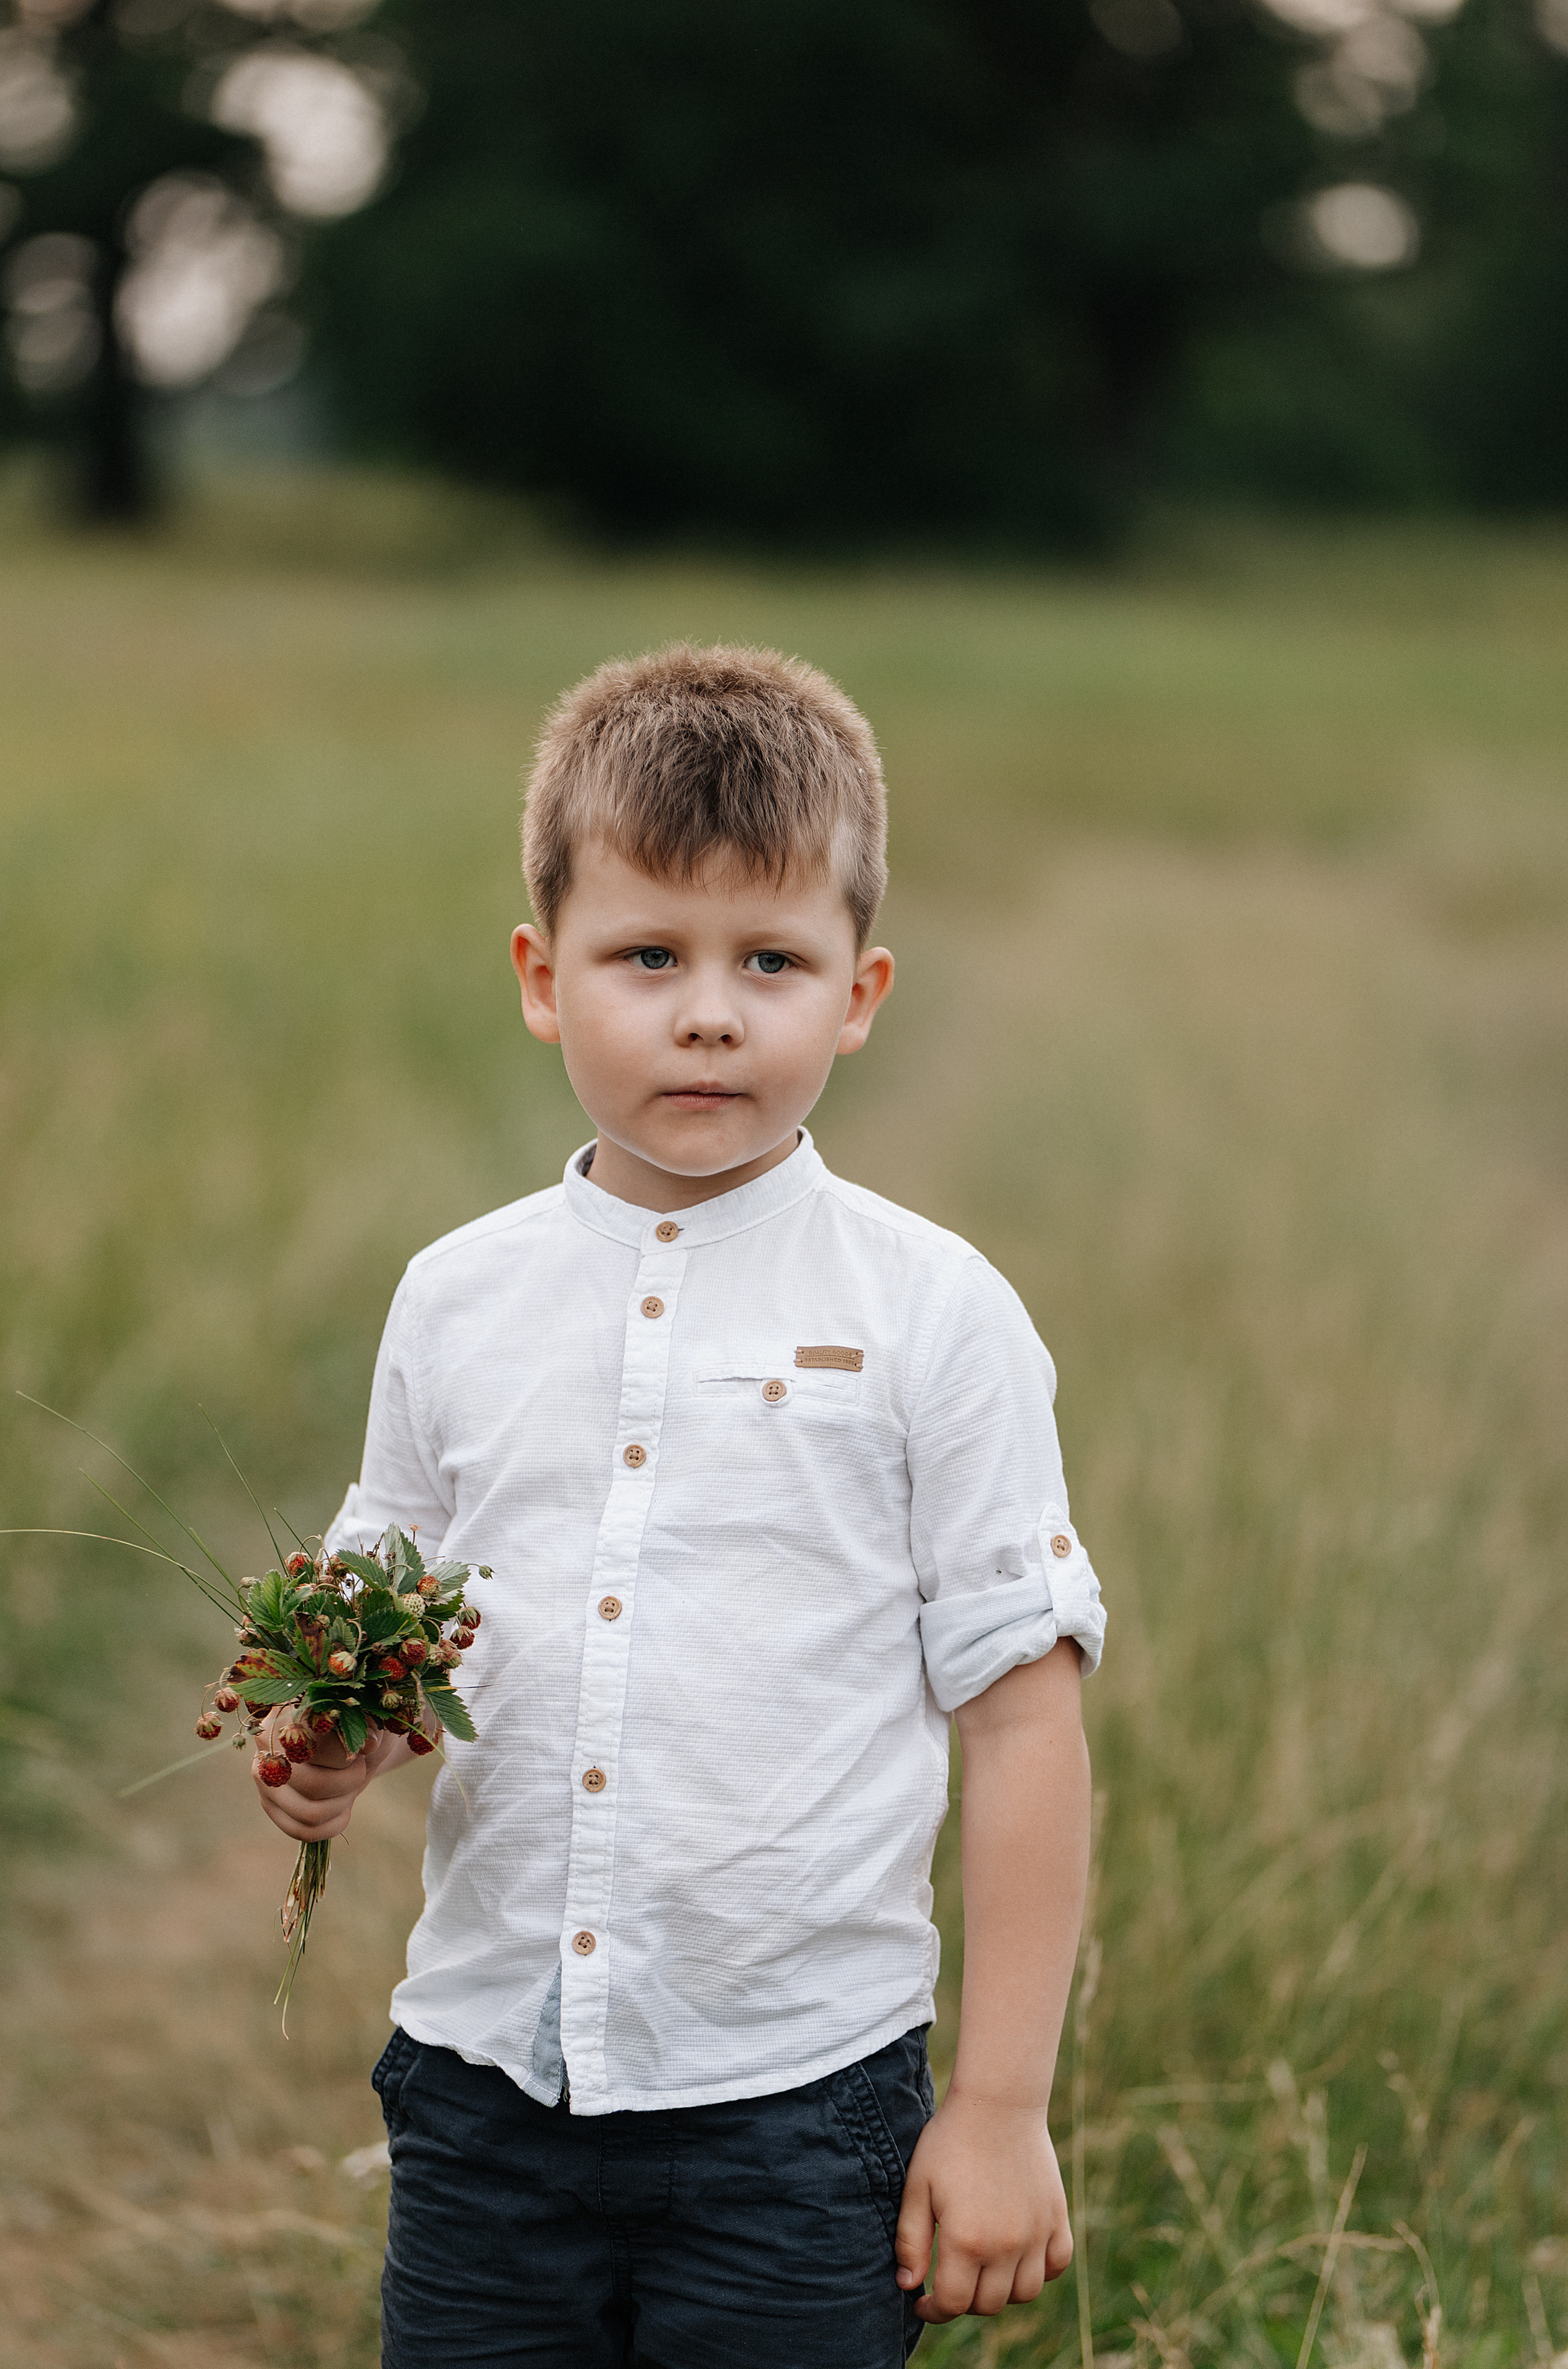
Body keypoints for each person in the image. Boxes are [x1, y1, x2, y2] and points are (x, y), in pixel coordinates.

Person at [254, 642, 1106, 2367]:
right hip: (489, 2088)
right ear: (541, 975)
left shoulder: (935, 1313)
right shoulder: (456, 1296)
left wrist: (1000, 2109)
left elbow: (1024, 1725)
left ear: (859, 994)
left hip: (796, 2111)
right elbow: (381, 1610)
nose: (709, 1011)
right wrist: (332, 1740)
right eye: (648, 955)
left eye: (769, 962)